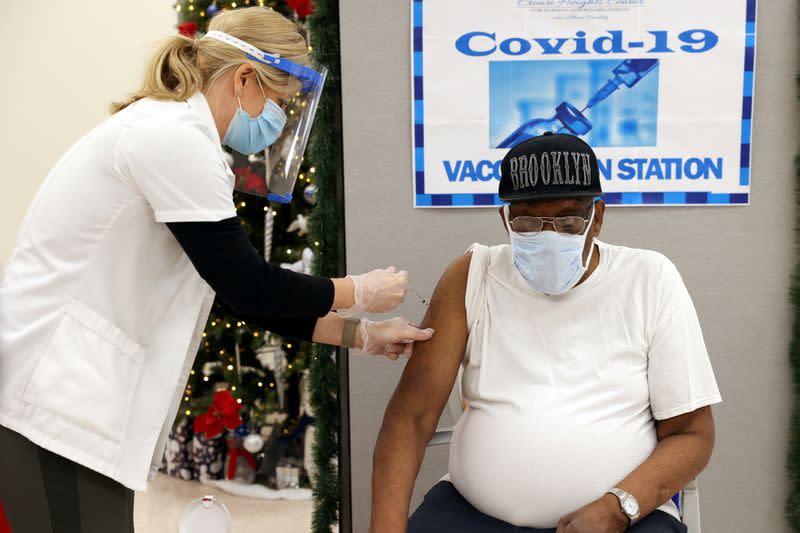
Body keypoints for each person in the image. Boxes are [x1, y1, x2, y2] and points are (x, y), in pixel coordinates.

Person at [0, 7, 433, 533]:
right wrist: (357, 291)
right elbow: (250, 287)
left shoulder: (174, 133)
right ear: (245, 77)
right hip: (56, 398)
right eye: (277, 102)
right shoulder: (175, 140)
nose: (275, 121)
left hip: (73, 395)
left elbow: (231, 292)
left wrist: (362, 336)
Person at [370, 133, 721, 533]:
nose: (549, 237)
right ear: (505, 219)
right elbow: (410, 418)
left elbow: (692, 434)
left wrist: (619, 506)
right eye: (529, 223)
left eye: (569, 221)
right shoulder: (474, 275)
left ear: (598, 217)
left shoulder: (649, 279)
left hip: (620, 517)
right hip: (473, 513)